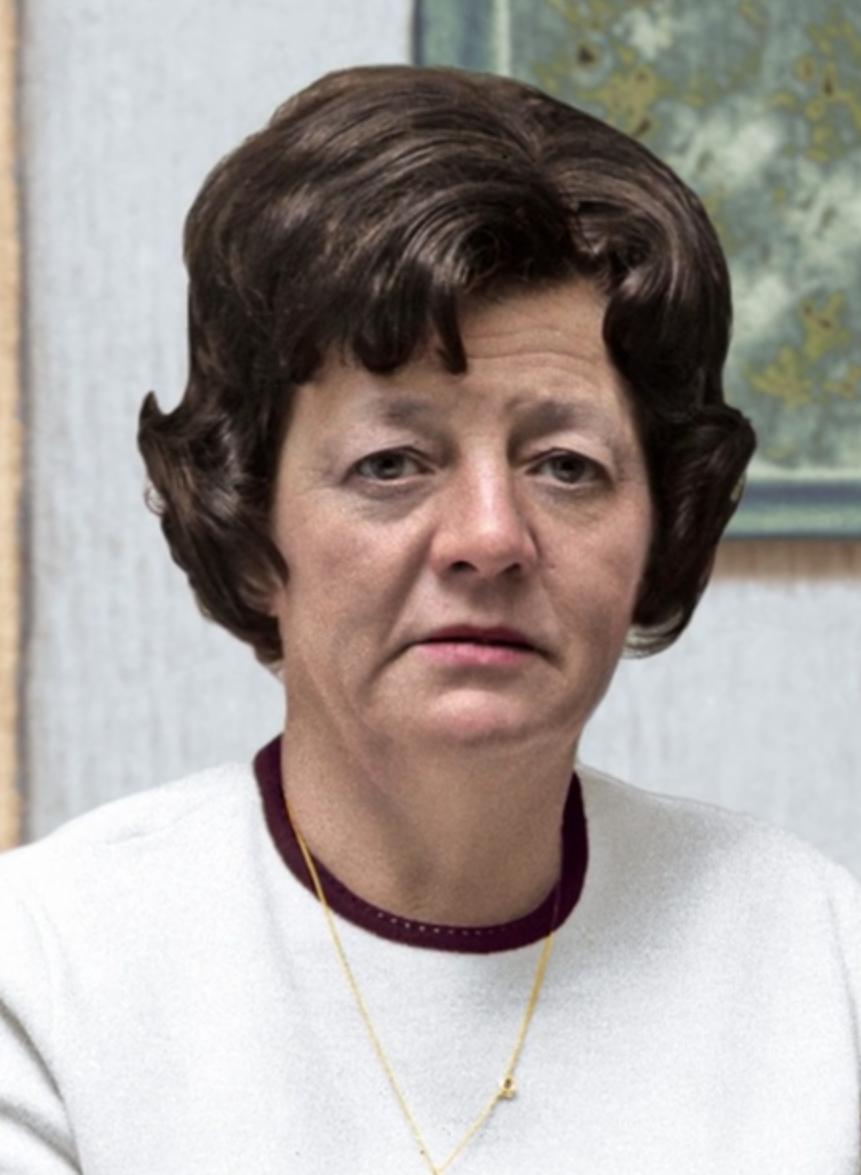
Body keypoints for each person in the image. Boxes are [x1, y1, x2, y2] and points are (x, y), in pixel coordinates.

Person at [1, 64, 859, 1175]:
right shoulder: (46, 976)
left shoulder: (819, 960)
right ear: (251, 528)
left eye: (566, 464)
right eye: (391, 462)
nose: (490, 536)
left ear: (662, 528)